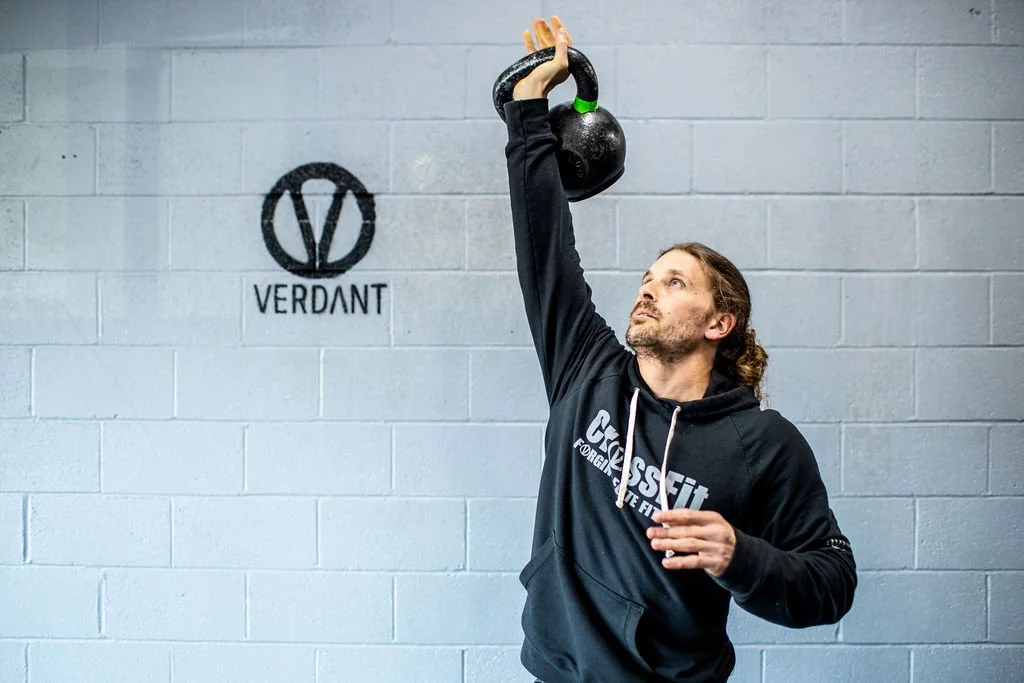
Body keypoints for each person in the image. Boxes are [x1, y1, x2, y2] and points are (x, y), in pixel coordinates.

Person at [501, 16, 857, 683]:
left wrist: (740, 555)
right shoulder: (586, 368)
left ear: (719, 322)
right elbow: (544, 249)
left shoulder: (763, 445)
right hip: (554, 669)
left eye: (673, 281)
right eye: (646, 277)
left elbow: (833, 579)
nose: (647, 290)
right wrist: (527, 111)